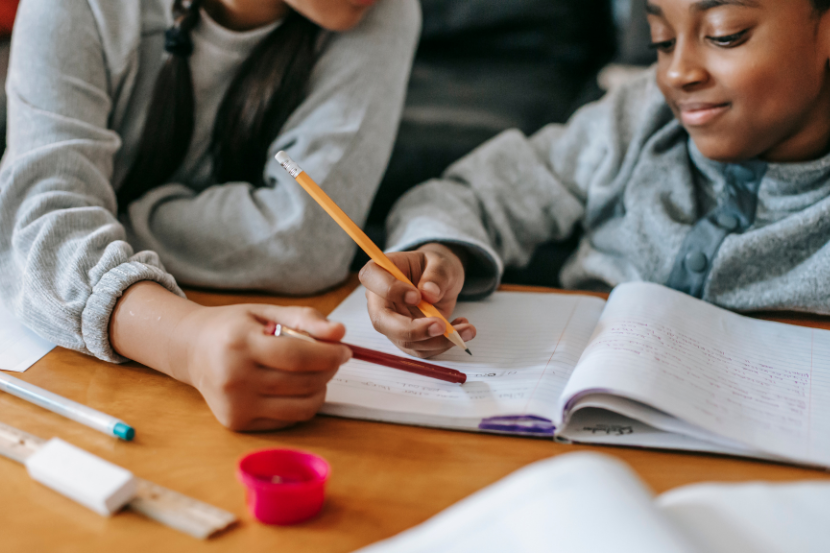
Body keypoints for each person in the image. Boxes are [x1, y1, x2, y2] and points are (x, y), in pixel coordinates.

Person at [0, 0, 420, 430]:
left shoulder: (384, 10)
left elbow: (306, 238)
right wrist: (186, 339)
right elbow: (35, 230)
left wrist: (100, 220)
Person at [360, 0, 830, 358]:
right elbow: (467, 194)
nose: (678, 72)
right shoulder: (637, 116)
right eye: (662, 41)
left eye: (726, 35)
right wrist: (442, 254)